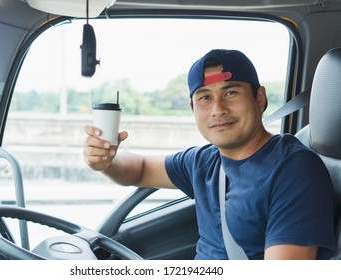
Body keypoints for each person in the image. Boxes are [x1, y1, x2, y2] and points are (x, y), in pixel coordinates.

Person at [83, 49, 336, 260]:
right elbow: (139, 169)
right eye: (205, 97)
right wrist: (107, 159)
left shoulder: (294, 170)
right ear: (192, 108)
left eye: (231, 93)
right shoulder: (205, 161)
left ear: (259, 99)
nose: (217, 109)